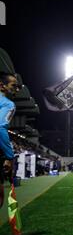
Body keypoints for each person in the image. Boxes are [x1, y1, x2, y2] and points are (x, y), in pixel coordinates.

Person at [0, 72, 20, 207]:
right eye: (13, 85)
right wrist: (9, 156)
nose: (17, 89)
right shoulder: (8, 104)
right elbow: (0, 127)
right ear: (2, 86)